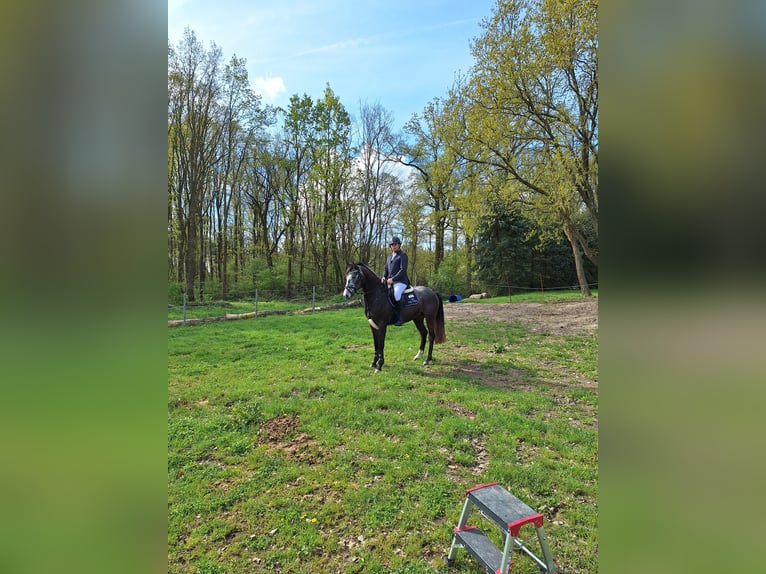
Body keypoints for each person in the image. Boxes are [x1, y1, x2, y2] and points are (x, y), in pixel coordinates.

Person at [381, 236, 410, 326]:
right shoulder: (389, 257)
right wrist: (383, 276)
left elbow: (402, 270)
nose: (394, 246)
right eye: (392, 245)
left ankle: (399, 317)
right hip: (389, 281)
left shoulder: (403, 255)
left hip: (400, 281)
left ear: (399, 245)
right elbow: (386, 269)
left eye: (395, 244)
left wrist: (393, 279)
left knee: (396, 295)